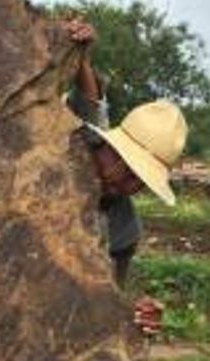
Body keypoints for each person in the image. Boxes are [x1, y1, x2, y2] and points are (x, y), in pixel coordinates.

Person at [61, 17, 187, 290]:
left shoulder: (125, 230)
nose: (115, 178)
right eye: (120, 159)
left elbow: (112, 294)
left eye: (135, 179)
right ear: (107, 143)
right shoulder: (84, 136)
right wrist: (79, 52)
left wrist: (129, 311)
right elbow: (91, 101)